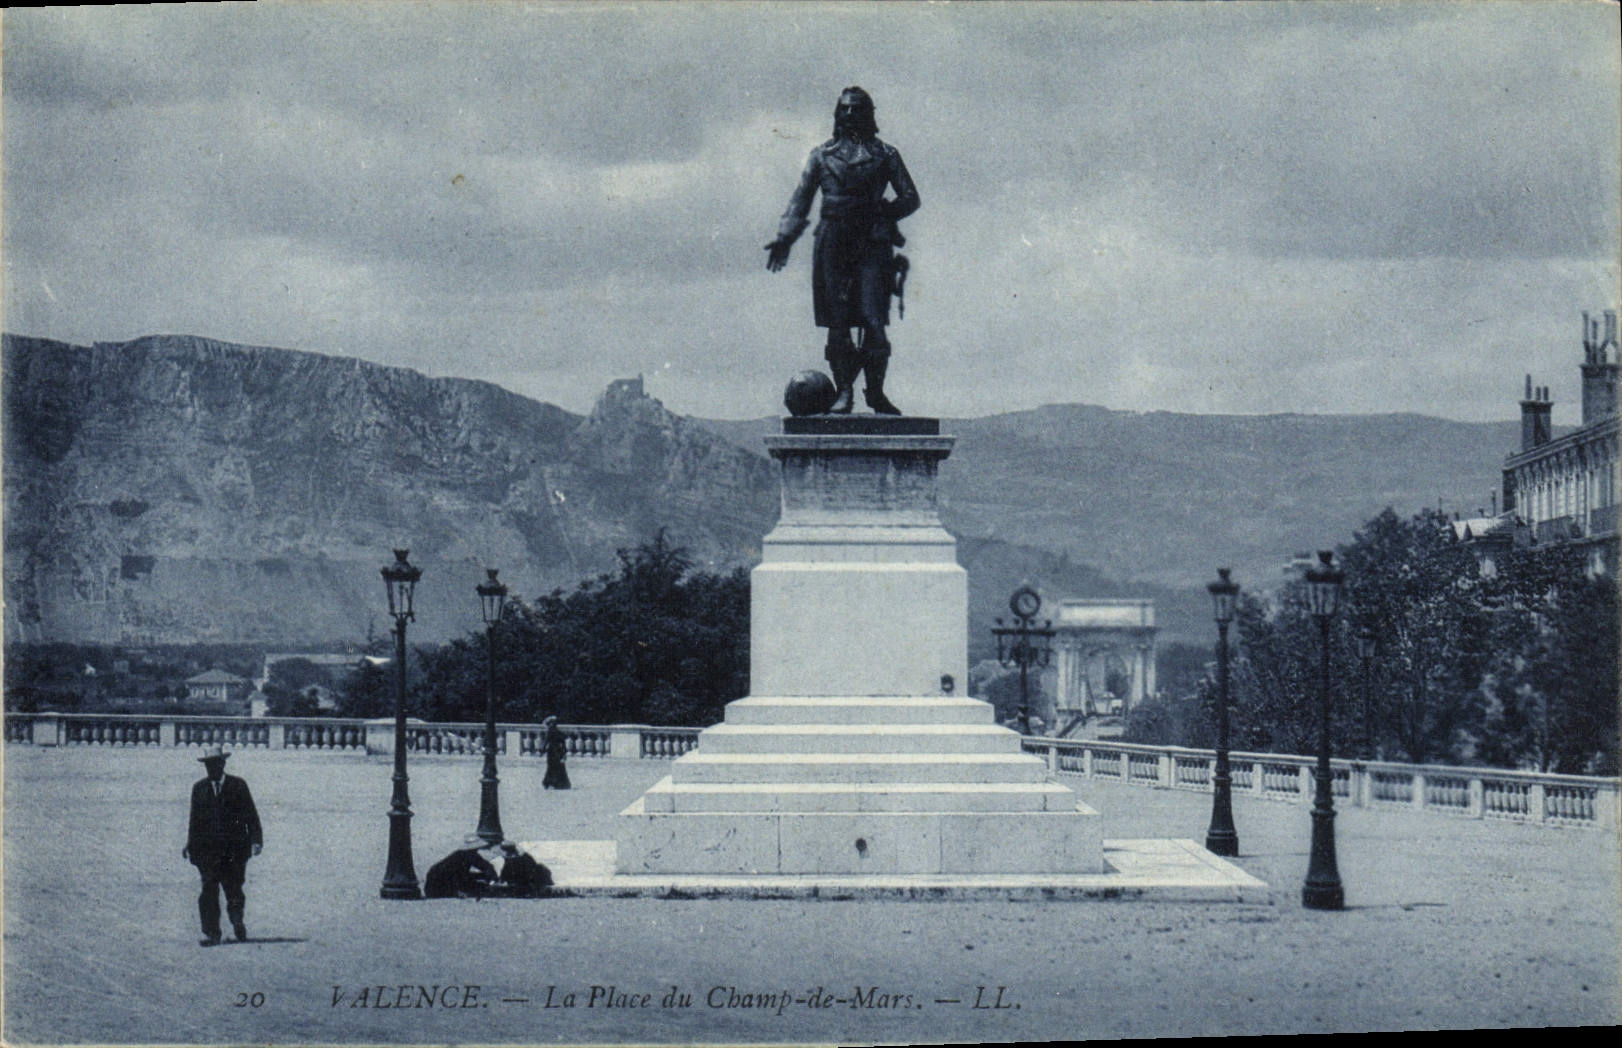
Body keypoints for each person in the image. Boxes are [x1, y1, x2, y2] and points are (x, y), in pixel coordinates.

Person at [766, 86, 920, 416]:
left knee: (874, 320)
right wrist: (784, 238)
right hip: (833, 242)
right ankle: (845, 392)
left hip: (872, 242)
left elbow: (910, 197)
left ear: (870, 114)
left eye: (857, 109)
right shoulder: (821, 156)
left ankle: (875, 392)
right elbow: (800, 199)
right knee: (838, 323)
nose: (850, 115)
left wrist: (882, 213)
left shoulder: (886, 155)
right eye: (845, 109)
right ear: (837, 114)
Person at [183, 745, 262, 946]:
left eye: (214, 764)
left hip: (235, 850)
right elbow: (195, 820)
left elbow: (251, 814)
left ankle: (237, 922)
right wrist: (190, 844)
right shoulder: (199, 788)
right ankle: (212, 932)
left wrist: (256, 840)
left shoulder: (238, 786)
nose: (211, 769)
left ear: (223, 764)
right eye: (207, 765)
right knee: (208, 890)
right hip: (207, 851)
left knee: (234, 888)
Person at [424, 838, 500, 899]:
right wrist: (493, 877)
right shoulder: (470, 855)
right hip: (440, 886)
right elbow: (485, 866)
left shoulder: (459, 854)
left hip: (432, 885)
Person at [541, 716, 570, 790]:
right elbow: (563, 742)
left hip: (552, 751)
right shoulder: (558, 732)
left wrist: (542, 750)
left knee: (551, 767)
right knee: (559, 767)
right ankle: (560, 783)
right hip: (559, 751)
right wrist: (564, 753)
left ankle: (549, 782)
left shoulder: (550, 731)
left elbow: (546, 742)